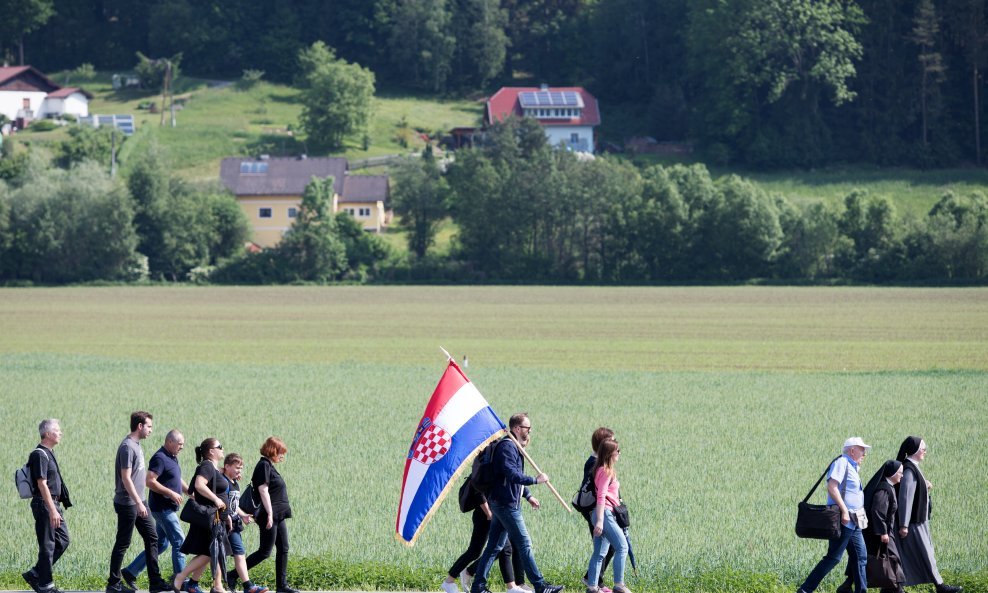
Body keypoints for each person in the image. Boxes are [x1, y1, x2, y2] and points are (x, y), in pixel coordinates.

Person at [469, 413, 564, 593]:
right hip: (505, 505)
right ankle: (540, 585)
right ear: (517, 429)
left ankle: (478, 586)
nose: (530, 431)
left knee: (494, 546)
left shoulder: (513, 446)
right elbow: (512, 475)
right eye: (527, 428)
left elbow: (510, 478)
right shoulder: (507, 447)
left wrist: (527, 495)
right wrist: (535, 480)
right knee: (524, 544)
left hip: (503, 502)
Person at [442, 439, 531, 593]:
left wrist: (528, 496)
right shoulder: (484, 464)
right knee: (499, 548)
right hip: (485, 514)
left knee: (483, 549)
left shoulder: (493, 461)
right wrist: (489, 513)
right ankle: (510, 586)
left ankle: (455, 578)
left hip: (491, 512)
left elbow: (512, 481)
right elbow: (478, 492)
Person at [796, 437, 870, 593]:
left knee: (860, 557)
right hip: (845, 520)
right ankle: (805, 590)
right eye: (862, 450)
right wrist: (844, 510)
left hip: (855, 520)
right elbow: (832, 486)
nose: (864, 453)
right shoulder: (842, 463)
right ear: (852, 450)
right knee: (833, 558)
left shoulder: (853, 466)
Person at [107, 411, 170, 593]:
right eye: (149, 426)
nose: (151, 430)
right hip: (128, 503)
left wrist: (141, 501)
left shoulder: (137, 445)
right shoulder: (128, 447)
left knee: (152, 538)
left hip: (139, 502)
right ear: (140, 426)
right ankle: (113, 584)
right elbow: (125, 478)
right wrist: (138, 503)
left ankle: (155, 582)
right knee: (123, 542)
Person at [122, 430, 189, 590]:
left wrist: (189, 492)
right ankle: (180, 581)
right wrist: (171, 493)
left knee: (160, 544)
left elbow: (176, 478)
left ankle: (131, 571)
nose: (182, 448)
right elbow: (150, 481)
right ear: (170, 442)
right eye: (180, 444)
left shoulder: (172, 458)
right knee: (180, 542)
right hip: (163, 508)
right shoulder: (160, 457)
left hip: (166, 507)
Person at [895, 437, 961, 593]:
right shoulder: (910, 469)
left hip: (917, 520)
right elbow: (906, 497)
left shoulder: (912, 467)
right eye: (923, 448)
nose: (925, 451)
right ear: (916, 451)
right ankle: (940, 586)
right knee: (926, 553)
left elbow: (914, 488)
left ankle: (895, 587)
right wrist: (904, 524)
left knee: (913, 554)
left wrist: (925, 484)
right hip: (913, 522)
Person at [836, 460, 906, 593]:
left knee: (866, 558)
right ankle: (896, 589)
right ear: (892, 473)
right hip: (879, 533)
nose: (902, 476)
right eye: (900, 473)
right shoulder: (884, 489)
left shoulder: (888, 486)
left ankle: (846, 587)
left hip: (876, 532)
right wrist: (883, 533)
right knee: (891, 558)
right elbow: (877, 511)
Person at [173, 438, 229, 593]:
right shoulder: (207, 466)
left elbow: (195, 490)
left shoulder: (212, 467)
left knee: (213, 551)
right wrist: (216, 499)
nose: (222, 449)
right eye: (220, 446)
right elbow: (199, 485)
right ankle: (181, 576)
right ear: (211, 451)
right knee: (210, 552)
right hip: (210, 518)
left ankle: (212, 585)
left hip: (217, 517)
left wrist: (227, 514)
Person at [242, 437, 296, 593]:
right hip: (269, 515)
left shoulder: (269, 466)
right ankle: (232, 575)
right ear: (272, 450)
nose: (282, 456)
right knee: (265, 551)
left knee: (283, 548)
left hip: (278, 515)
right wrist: (270, 514)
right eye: (280, 452)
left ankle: (282, 586)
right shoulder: (263, 466)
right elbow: (263, 490)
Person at [23, 419, 70, 593]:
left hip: (52, 504)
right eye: (58, 430)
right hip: (45, 504)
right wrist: (52, 510)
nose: (60, 433)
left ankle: (35, 573)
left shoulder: (48, 453)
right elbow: (41, 484)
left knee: (63, 540)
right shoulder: (39, 454)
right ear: (48, 434)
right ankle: (46, 585)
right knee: (48, 545)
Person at [220, 453, 269, 593]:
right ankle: (245, 585)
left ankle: (244, 585)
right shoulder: (222, 481)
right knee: (217, 555)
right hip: (225, 523)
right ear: (226, 466)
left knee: (238, 552)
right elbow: (214, 469)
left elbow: (234, 505)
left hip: (234, 524)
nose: (239, 471)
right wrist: (224, 471)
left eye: (241, 469)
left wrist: (243, 515)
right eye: (236, 468)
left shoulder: (235, 483)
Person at [585, 439, 629, 593]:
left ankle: (592, 587)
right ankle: (619, 585)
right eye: (618, 451)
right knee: (622, 547)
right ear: (611, 453)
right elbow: (601, 496)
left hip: (600, 514)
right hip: (604, 514)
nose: (619, 453)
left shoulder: (600, 469)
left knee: (599, 553)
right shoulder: (605, 471)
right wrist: (600, 522)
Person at [580, 428, 615, 593]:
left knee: (604, 546)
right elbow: (598, 491)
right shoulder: (594, 463)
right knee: (605, 546)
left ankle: (596, 581)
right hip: (596, 511)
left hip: (598, 511)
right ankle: (593, 581)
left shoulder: (596, 462)